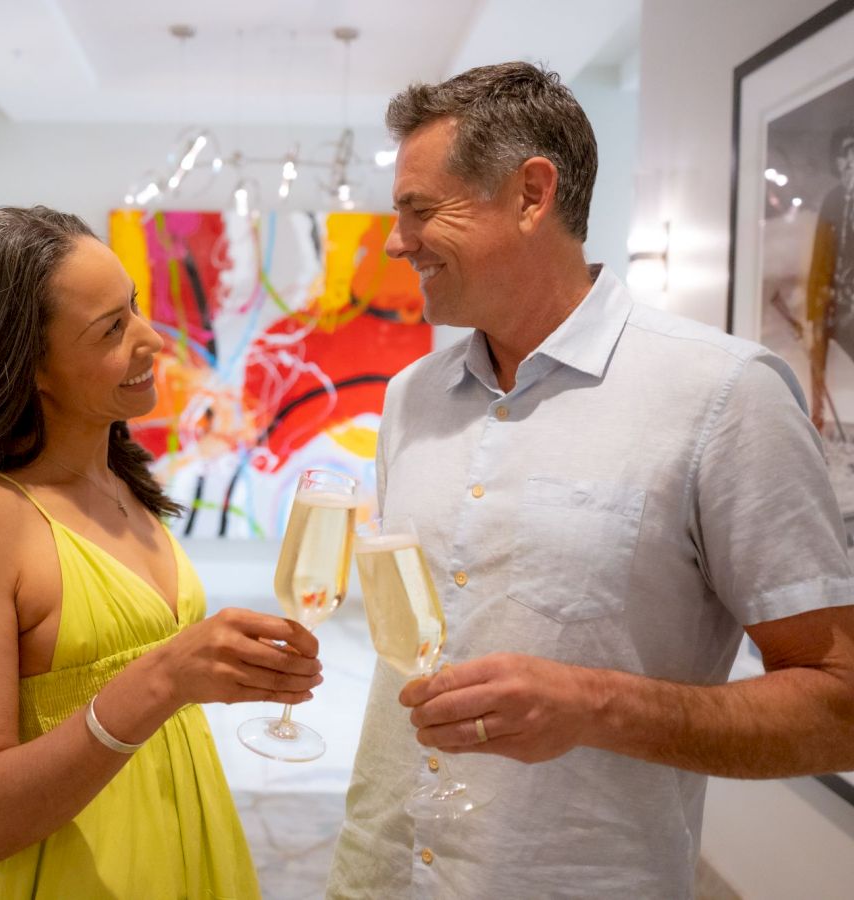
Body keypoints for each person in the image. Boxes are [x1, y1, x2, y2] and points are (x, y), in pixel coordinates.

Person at [326, 63, 854, 898]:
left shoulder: (722, 396)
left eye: (420, 209)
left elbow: (841, 708)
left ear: (532, 195)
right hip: (378, 873)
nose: (396, 241)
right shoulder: (409, 401)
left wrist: (596, 705)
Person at [0, 206, 323, 899]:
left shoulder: (121, 478)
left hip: (192, 844)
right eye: (112, 328)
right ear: (27, 367)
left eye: (135, 308)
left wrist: (220, 671)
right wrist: (165, 678)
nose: (153, 338)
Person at [806, 121, 854, 431]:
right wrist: (813, 309)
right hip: (830, 302)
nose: (847, 162)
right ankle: (817, 421)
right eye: (844, 155)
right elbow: (819, 257)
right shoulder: (833, 200)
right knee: (818, 367)